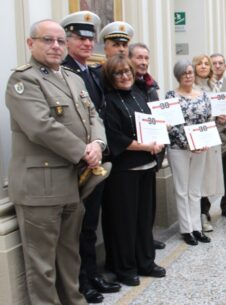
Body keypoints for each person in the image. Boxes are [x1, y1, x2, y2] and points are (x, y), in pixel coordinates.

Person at [5, 19, 106, 305]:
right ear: (30, 43)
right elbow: (40, 126)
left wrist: (98, 144)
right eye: (47, 40)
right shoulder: (23, 79)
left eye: (61, 41)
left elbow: (93, 116)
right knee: (42, 265)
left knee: (69, 256)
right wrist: (83, 151)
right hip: (40, 187)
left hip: (73, 183)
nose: (55, 46)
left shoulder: (72, 78)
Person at [60, 11, 120, 303]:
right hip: (75, 161)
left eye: (89, 39)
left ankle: (92, 273)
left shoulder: (91, 72)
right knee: (78, 226)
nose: (86, 43)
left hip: (96, 158)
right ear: (67, 40)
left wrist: (99, 147)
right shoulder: (63, 71)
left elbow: (98, 114)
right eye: (79, 38)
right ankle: (82, 281)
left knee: (90, 223)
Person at [102, 55, 166, 286]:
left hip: (147, 166)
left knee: (143, 219)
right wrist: (145, 146)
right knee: (125, 222)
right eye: (119, 73)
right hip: (124, 172)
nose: (125, 76)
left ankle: (146, 262)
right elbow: (115, 136)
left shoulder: (140, 95)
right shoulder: (109, 101)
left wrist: (158, 141)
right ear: (110, 77)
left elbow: (153, 124)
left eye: (127, 71)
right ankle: (126, 268)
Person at [165, 59, 213, 246]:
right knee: (182, 189)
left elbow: (209, 120)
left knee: (195, 189)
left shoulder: (202, 95)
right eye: (184, 73)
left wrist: (205, 140)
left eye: (190, 72)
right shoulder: (171, 96)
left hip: (200, 147)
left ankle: (197, 227)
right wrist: (188, 143)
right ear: (178, 76)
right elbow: (170, 125)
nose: (188, 76)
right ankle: (186, 229)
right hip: (179, 148)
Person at [128, 42, 167, 251]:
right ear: (129, 59)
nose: (143, 62)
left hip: (153, 149)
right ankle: (137, 244)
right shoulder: (126, 84)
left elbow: (157, 114)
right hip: (135, 150)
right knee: (133, 207)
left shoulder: (150, 85)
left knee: (148, 203)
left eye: (146, 58)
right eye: (139, 58)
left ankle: (147, 238)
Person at [192, 54, 226, 232]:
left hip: (215, 136)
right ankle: (200, 215)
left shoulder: (214, 87)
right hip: (197, 138)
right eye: (199, 64)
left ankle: (207, 210)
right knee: (198, 180)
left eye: (205, 64)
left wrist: (222, 116)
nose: (203, 66)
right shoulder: (190, 86)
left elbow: (220, 110)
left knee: (210, 178)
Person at [204, 53, 226, 222]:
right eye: (214, 63)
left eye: (220, 63)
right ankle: (204, 209)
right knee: (206, 173)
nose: (217, 66)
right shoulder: (202, 86)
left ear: (225, 66)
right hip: (208, 134)